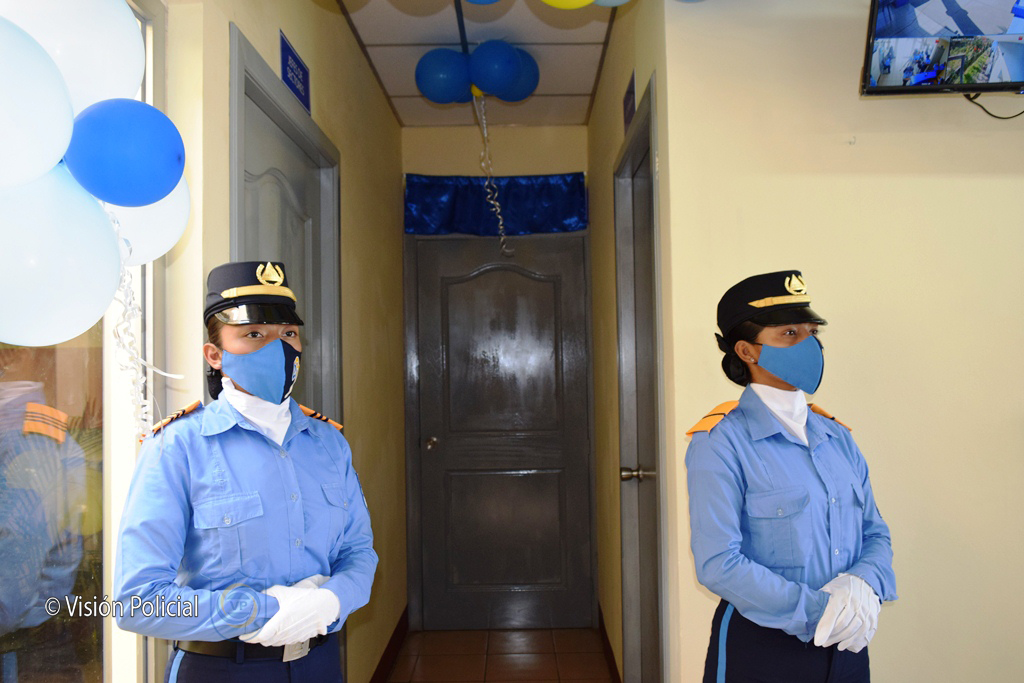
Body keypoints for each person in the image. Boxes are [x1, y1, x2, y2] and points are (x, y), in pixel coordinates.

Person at [115, 261, 377, 683]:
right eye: (254, 334)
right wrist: (265, 612)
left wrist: (329, 602)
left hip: (319, 664)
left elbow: (358, 551)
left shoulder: (329, 443)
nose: (278, 349)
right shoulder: (177, 448)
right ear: (215, 355)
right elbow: (138, 602)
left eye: (288, 334)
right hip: (220, 669)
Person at [685, 270, 897, 683]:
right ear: (747, 351)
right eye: (789, 334)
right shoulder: (721, 442)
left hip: (848, 647)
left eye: (812, 332)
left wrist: (863, 584)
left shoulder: (837, 437)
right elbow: (718, 563)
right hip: (764, 648)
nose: (810, 345)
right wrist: (823, 611)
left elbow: (875, 532)